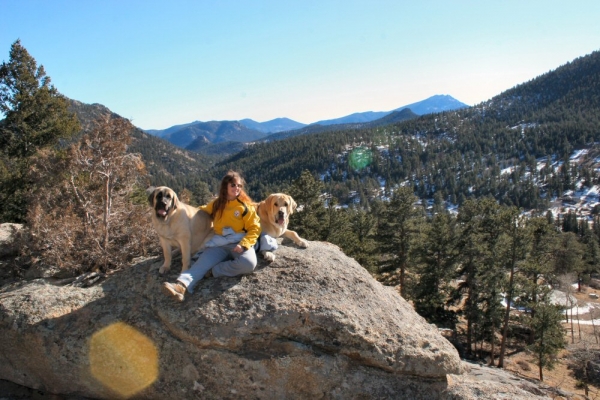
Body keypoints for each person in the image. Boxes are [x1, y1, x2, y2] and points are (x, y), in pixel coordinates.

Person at [162, 170, 261, 302]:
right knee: (200, 264)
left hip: (239, 242)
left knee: (248, 264)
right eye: (233, 185)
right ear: (225, 186)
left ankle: (214, 270)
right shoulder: (217, 204)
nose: (236, 188)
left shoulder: (245, 207)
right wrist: (182, 213)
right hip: (219, 243)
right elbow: (201, 210)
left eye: (239, 186)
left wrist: (244, 244)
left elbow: (255, 228)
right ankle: (180, 287)